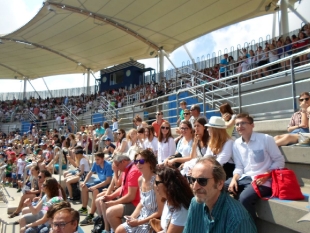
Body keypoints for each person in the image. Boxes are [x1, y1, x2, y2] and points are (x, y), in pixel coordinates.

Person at [225, 113, 285, 219]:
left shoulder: (266, 139)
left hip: (264, 181)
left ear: (252, 125)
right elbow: (239, 167)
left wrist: (267, 175)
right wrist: (234, 179)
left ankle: (249, 228)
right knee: (219, 187)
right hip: (246, 178)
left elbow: (279, 161)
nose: (239, 126)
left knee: (244, 198)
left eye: (243, 123)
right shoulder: (236, 144)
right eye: (237, 124)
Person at [183, 157, 257, 233]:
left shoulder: (237, 219)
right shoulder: (195, 203)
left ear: (220, 184)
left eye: (202, 181)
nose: (195, 187)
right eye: (192, 180)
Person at [115, 150, 164, 233]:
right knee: (119, 229)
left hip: (152, 220)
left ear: (150, 163)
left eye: (141, 161)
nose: (138, 164)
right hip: (141, 216)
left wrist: (138, 222)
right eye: (136, 161)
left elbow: (160, 212)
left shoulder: (156, 182)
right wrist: (132, 218)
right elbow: (141, 203)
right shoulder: (140, 179)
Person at [101, 155, 141, 233]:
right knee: (103, 201)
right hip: (128, 200)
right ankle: (108, 230)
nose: (117, 168)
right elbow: (122, 187)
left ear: (124, 162)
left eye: (117, 165)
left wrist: (114, 202)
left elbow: (131, 196)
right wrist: (110, 196)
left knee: (111, 212)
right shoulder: (126, 169)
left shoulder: (133, 171)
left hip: (135, 204)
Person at [155, 165, 193, 233]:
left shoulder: (181, 209)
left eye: (157, 183)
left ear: (168, 184)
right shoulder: (168, 201)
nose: (155, 186)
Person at [79, 152, 112, 225]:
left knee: (95, 190)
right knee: (84, 187)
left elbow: (108, 181)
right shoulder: (95, 164)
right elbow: (89, 173)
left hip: (107, 185)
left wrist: (95, 187)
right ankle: (84, 209)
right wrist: (84, 182)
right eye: (95, 159)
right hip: (100, 183)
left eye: (98, 159)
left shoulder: (108, 165)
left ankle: (91, 215)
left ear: (103, 159)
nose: (96, 161)